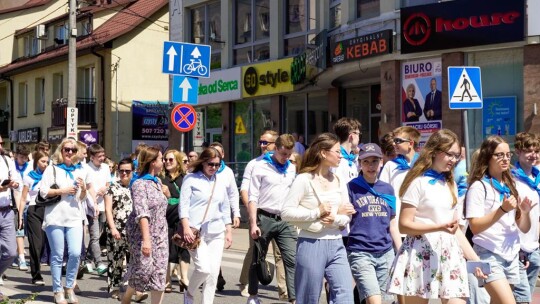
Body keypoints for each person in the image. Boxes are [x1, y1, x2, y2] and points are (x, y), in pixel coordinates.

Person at [387, 129, 486, 302]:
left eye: (456, 156)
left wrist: (475, 260)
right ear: (434, 151)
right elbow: (404, 225)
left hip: (450, 254)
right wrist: (438, 227)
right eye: (450, 155)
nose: (454, 160)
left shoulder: (450, 183)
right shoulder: (418, 182)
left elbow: (454, 229)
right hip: (420, 253)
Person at [281, 133, 356, 303]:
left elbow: (347, 216)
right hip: (311, 244)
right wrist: (316, 213)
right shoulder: (304, 180)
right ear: (323, 153)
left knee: (345, 296)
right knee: (309, 298)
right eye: (337, 151)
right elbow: (286, 212)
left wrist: (335, 218)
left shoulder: (338, 179)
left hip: (337, 243)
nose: (341, 155)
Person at [465, 135, 535, 304]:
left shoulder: (511, 184)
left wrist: (524, 213)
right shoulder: (479, 187)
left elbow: (523, 228)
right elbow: (474, 227)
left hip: (511, 254)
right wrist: (502, 209)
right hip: (489, 253)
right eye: (499, 155)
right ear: (488, 156)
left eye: (508, 154)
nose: (505, 159)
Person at [347, 143, 401, 304]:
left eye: (374, 161)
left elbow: (392, 223)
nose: (371, 166)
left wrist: (400, 249)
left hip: (385, 252)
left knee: (386, 300)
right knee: (374, 299)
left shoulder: (388, 189)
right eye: (366, 162)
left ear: (381, 162)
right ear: (360, 164)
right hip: (360, 251)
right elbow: (344, 220)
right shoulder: (351, 187)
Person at [247, 134, 298, 304]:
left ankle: (293, 298)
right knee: (257, 258)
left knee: (291, 259)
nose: (286, 158)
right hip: (265, 217)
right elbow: (252, 197)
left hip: (285, 220)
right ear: (275, 148)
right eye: (283, 154)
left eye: (289, 154)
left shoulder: (291, 168)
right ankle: (253, 296)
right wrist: (253, 223)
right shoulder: (260, 166)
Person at [238, 130, 288, 299]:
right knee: (256, 252)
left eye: (266, 143)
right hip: (260, 215)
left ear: (276, 145)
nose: (262, 146)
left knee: (281, 254)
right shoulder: (254, 164)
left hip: (281, 216)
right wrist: (253, 209)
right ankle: (245, 284)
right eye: (260, 142)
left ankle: (283, 290)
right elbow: (245, 189)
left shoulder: (286, 164)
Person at [40, 137, 91, 304]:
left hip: (75, 217)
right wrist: (63, 190)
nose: (70, 152)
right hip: (55, 217)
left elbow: (81, 198)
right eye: (66, 149)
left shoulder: (80, 171)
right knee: (57, 255)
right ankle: (57, 290)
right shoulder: (52, 169)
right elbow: (43, 192)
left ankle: (69, 287)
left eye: (73, 150)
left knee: (76, 253)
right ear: (61, 151)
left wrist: (83, 190)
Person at [180, 147, 233, 304]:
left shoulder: (220, 181)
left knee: (213, 274)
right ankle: (189, 293)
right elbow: (183, 206)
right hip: (196, 232)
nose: (214, 168)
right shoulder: (191, 179)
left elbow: (225, 207)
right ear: (203, 162)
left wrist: (228, 231)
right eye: (211, 164)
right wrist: (186, 227)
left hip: (217, 232)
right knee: (203, 269)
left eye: (217, 165)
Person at [122, 146, 169, 304]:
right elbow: (142, 213)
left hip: (161, 233)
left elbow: (161, 208)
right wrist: (146, 240)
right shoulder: (139, 185)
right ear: (152, 162)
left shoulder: (158, 183)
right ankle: (127, 297)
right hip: (142, 234)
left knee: (160, 272)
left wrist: (167, 195)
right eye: (161, 159)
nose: (163, 162)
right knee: (143, 270)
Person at [104, 157, 148, 301]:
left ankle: (136, 289)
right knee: (115, 260)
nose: (124, 174)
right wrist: (113, 228)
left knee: (135, 261)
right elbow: (108, 210)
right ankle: (115, 288)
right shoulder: (112, 187)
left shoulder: (137, 187)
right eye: (121, 171)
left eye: (127, 171)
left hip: (134, 231)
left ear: (132, 171)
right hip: (117, 229)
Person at [332, 117, 362, 303]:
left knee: (353, 269)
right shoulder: (339, 160)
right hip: (341, 224)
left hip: (355, 223)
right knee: (338, 272)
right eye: (358, 134)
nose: (360, 137)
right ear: (351, 136)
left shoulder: (354, 159)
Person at [511, 132, 540, 304]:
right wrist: (519, 248)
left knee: (525, 296)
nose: (533, 155)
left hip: (534, 247)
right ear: (518, 152)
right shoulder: (512, 179)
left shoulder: (537, 179)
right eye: (528, 150)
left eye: (536, 151)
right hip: (517, 247)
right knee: (522, 299)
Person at [209, 142, 240, 291]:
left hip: (223, 217)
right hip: (207, 217)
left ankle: (215, 276)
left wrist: (237, 213)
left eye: (218, 153)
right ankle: (215, 276)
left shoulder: (227, 172)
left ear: (223, 155)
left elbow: (233, 194)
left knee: (217, 249)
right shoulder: (204, 171)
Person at [159, 149, 189, 293]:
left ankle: (184, 278)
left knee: (184, 248)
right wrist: (166, 194)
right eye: (165, 159)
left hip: (182, 218)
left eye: (170, 160)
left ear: (177, 161)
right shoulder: (160, 178)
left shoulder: (185, 178)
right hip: (166, 217)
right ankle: (167, 280)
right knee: (167, 249)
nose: (167, 162)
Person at [19, 150, 49, 286]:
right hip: (34, 210)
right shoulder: (29, 177)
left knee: (44, 245)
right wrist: (20, 217)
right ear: (36, 162)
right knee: (36, 245)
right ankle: (36, 274)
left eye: (47, 162)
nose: (45, 164)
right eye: (43, 161)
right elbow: (23, 198)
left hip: (48, 210)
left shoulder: (50, 175)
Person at [0, 135, 21, 301]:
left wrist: (13, 184)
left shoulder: (7, 160)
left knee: (11, 252)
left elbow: (18, 182)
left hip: (6, 210)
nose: (0, 145)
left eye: (1, 143)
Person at [84, 144, 110, 275]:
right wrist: (93, 201)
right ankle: (99, 263)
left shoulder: (105, 168)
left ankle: (87, 259)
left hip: (103, 205)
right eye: (99, 156)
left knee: (98, 235)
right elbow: (88, 187)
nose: (102, 158)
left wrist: (105, 189)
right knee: (94, 236)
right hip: (91, 206)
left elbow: (108, 183)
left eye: (103, 156)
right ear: (92, 157)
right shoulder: (86, 168)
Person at [13, 145, 32, 271]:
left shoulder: (30, 167)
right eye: (21, 157)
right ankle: (21, 258)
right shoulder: (11, 166)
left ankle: (17, 254)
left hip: (28, 202)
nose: (23, 160)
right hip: (15, 203)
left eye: (25, 157)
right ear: (16, 155)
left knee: (23, 232)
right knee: (19, 230)